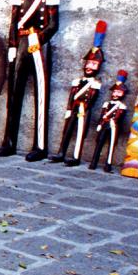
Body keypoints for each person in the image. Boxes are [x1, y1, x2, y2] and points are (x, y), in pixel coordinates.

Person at [0, 0, 61, 161]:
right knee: (13, 93)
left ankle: (40, 146)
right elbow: (14, 22)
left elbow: (53, 25)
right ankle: (9, 141)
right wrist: (12, 46)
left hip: (39, 45)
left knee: (41, 95)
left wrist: (39, 39)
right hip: (21, 43)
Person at [49, 21, 105, 166]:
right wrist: (69, 109)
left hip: (84, 110)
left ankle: (76, 156)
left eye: (94, 64)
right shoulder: (78, 81)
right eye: (89, 63)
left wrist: (83, 108)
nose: (90, 67)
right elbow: (72, 96)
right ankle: (61, 152)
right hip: (74, 108)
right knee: (67, 130)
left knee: (80, 132)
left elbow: (92, 98)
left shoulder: (95, 84)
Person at [89, 71, 129, 172]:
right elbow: (102, 115)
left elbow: (119, 117)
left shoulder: (121, 106)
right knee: (99, 143)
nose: (115, 94)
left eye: (119, 92)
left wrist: (113, 121)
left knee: (111, 146)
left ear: (123, 94)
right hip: (104, 125)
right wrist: (99, 124)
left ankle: (108, 164)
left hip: (113, 127)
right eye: (115, 92)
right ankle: (93, 162)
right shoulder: (107, 104)